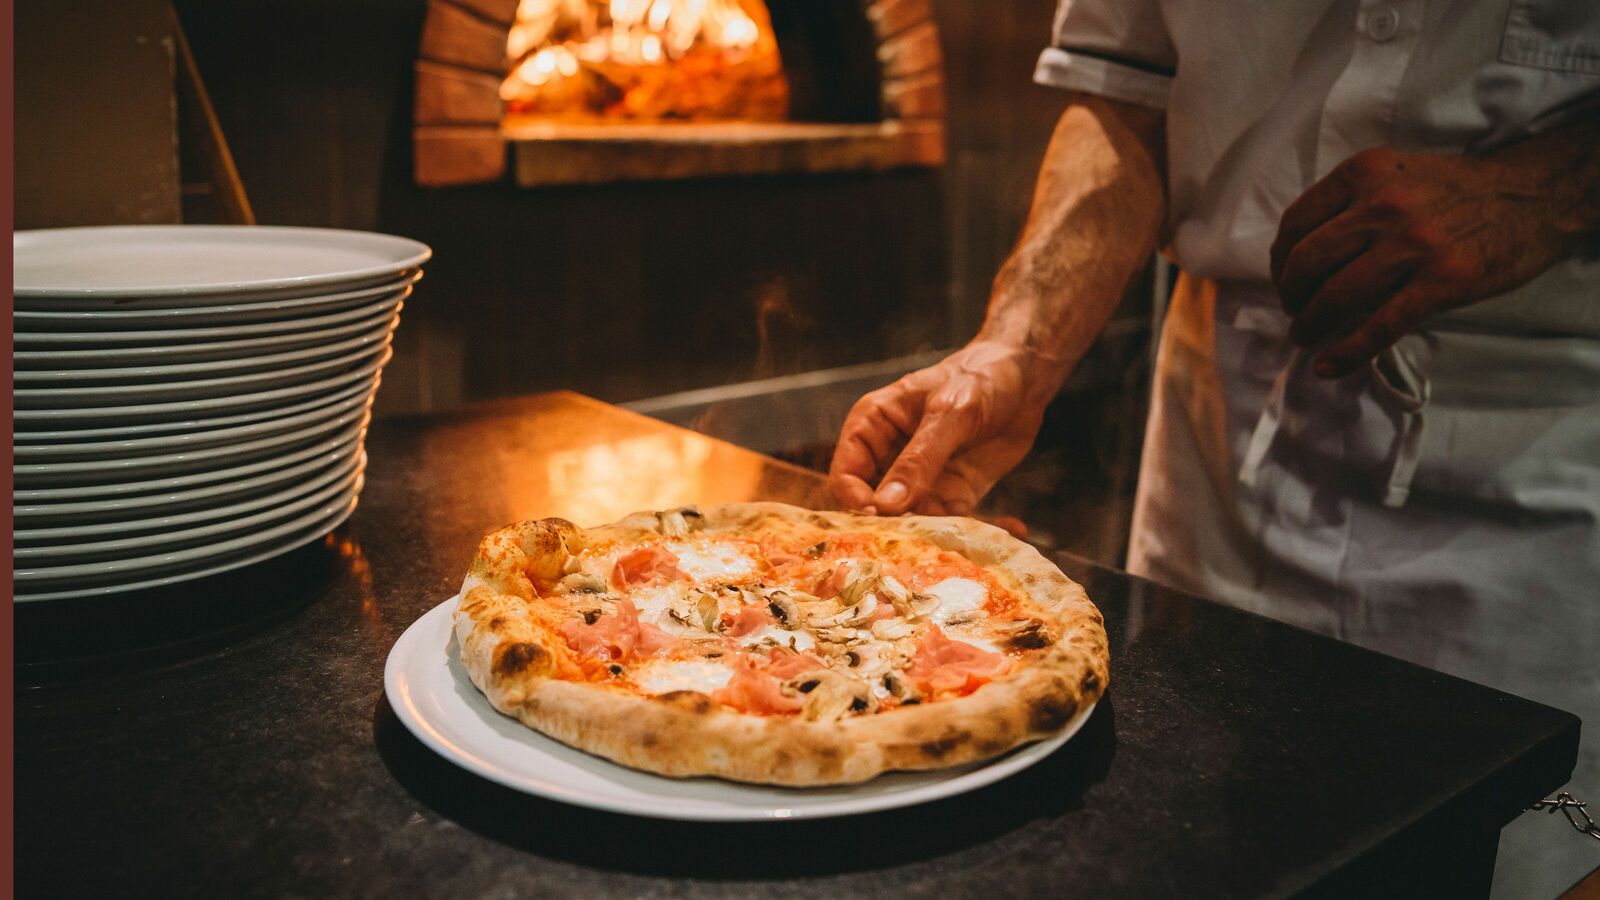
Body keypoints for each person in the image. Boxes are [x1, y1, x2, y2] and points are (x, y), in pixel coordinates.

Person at [829, 2, 1600, 894]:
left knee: (1517, 860)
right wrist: (1017, 349)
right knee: (1178, 855)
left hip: (1550, 451)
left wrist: (1550, 189)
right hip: (1223, 441)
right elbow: (1123, 88)